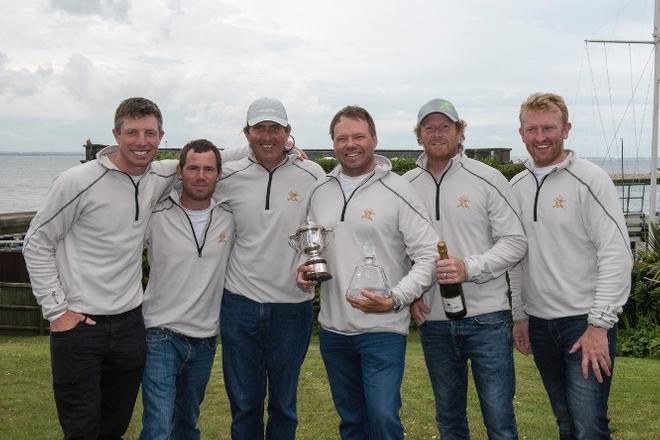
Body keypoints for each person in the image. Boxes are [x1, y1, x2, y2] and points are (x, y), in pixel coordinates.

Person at [22, 97, 176, 439]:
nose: (141, 141)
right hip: (80, 328)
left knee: (114, 426)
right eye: (132, 132)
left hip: (130, 326)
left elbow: (205, 158)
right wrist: (56, 311)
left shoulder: (159, 175)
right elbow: (36, 242)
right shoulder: (76, 181)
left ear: (161, 136)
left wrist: (284, 148)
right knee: (81, 429)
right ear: (116, 134)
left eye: (150, 133)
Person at [297, 105, 438, 440]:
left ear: (374, 139)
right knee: (352, 422)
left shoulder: (399, 189)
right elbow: (310, 246)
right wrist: (303, 270)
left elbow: (429, 254)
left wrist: (397, 299)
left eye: (358, 136)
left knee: (383, 418)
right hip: (333, 330)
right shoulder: (320, 190)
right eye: (342, 138)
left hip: (383, 329)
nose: (350, 144)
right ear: (333, 143)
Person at [510, 92, 633, 440]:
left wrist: (599, 325)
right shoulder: (516, 186)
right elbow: (517, 258)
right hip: (540, 324)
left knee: (588, 425)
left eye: (549, 127)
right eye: (531, 129)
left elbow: (616, 253)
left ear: (566, 128)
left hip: (585, 322)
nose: (540, 137)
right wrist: (520, 314)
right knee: (566, 422)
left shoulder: (591, 179)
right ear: (521, 133)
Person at [405, 98, 527, 440]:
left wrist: (468, 268)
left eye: (445, 126)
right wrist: (413, 292)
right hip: (435, 323)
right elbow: (402, 248)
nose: (437, 133)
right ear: (419, 136)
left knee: (500, 421)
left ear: (460, 133)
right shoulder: (407, 186)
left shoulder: (488, 178)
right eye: (429, 127)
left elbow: (515, 243)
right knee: (449, 421)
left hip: (487, 319)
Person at [218, 97, 325, 439]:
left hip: (292, 306)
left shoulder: (312, 174)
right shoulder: (227, 175)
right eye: (259, 128)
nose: (268, 136)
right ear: (246, 133)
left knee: (283, 404)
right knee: (245, 404)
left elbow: (326, 228)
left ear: (288, 132)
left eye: (275, 129)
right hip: (239, 303)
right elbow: (191, 169)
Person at [139, 139, 234, 439]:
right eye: (193, 168)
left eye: (209, 169)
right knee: (158, 427)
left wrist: (288, 147)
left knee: (186, 425)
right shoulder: (154, 215)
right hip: (160, 334)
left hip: (206, 339)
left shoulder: (230, 217)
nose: (201, 176)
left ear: (219, 173)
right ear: (179, 171)